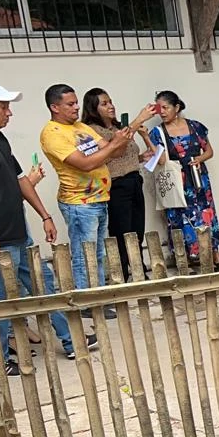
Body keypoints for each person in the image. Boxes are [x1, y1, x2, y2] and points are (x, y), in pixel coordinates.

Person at [0, 81, 94, 379]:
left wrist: (45, 215)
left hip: (18, 233)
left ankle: (71, 340)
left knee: (44, 284)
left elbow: (20, 179)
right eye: (3, 107)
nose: (8, 113)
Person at [41, 83, 151, 294]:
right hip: (79, 204)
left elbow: (115, 152)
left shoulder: (81, 127)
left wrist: (118, 141)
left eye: (76, 103)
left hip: (100, 198)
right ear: (55, 107)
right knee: (85, 256)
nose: (76, 107)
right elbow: (85, 164)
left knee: (97, 254)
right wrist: (117, 141)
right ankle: (87, 302)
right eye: (70, 104)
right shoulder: (52, 133)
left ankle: (98, 298)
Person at [80, 87, 151, 278]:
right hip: (116, 185)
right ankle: (123, 273)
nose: (111, 106)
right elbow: (113, 148)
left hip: (134, 180)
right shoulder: (93, 130)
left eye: (110, 101)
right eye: (104, 104)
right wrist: (139, 119)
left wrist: (140, 158)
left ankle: (139, 270)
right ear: (93, 108)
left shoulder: (118, 127)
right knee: (122, 231)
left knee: (137, 230)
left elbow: (123, 154)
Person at [148, 90, 219, 268]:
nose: (161, 112)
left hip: (198, 179)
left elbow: (209, 151)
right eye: (159, 109)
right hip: (176, 182)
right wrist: (144, 136)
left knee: (205, 214)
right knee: (179, 219)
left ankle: (215, 255)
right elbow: (160, 160)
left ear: (177, 107)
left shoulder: (195, 127)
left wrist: (199, 159)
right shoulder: (157, 132)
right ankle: (185, 259)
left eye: (165, 108)